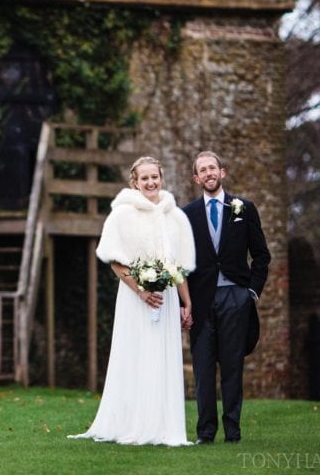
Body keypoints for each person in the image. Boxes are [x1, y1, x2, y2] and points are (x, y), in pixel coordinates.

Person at [69, 156, 195, 446]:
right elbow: (114, 260)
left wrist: (187, 303)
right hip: (135, 299)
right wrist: (140, 289)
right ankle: (134, 423)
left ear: (161, 178)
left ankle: (164, 427)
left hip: (167, 298)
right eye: (145, 178)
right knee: (137, 356)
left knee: (162, 359)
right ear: (135, 182)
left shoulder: (173, 216)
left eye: (155, 177)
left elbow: (179, 266)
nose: (151, 183)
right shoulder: (122, 215)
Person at [183, 151, 270, 444]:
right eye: (202, 170)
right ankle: (205, 433)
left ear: (223, 172)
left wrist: (251, 293)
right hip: (201, 301)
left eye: (212, 168)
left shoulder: (244, 208)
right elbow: (181, 260)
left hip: (236, 297)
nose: (208, 173)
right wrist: (185, 302)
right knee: (204, 370)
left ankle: (233, 432)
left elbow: (261, 256)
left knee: (232, 368)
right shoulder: (187, 214)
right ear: (196, 178)